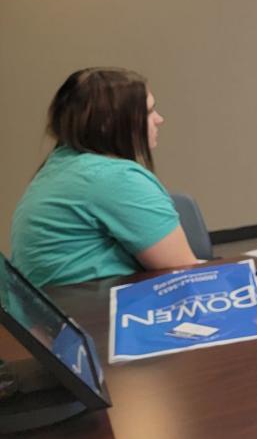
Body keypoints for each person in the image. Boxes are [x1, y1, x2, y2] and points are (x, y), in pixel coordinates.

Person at [11, 68, 198, 288]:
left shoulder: (60, 165)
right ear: (107, 122)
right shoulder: (114, 179)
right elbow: (185, 273)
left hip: (58, 309)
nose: (159, 120)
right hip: (93, 313)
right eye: (148, 112)